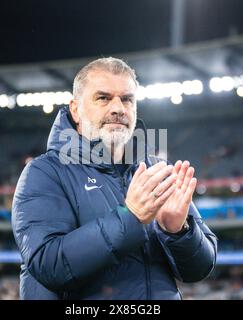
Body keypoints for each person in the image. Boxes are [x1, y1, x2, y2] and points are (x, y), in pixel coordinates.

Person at [11, 57, 217, 300]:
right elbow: (48, 264)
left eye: (127, 99)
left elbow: (200, 269)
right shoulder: (45, 172)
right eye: (103, 98)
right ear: (75, 109)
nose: (118, 108)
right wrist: (130, 218)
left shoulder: (158, 171)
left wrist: (178, 231)